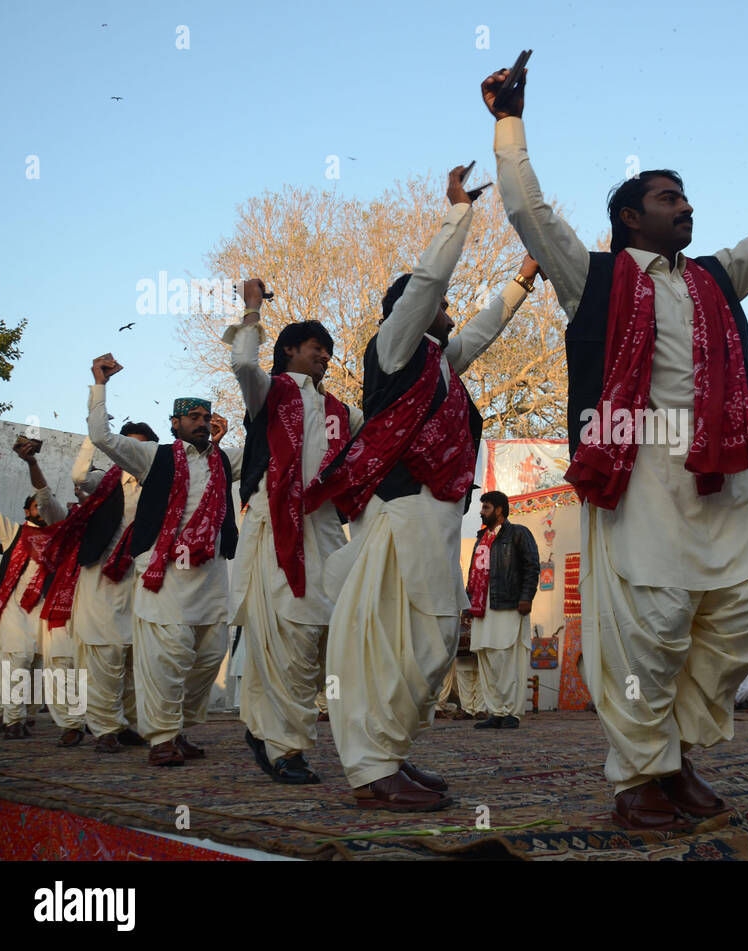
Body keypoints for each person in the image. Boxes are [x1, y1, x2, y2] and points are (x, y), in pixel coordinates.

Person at [483, 61, 748, 831]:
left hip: (719, 468)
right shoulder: (592, 277)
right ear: (631, 217)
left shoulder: (716, 278)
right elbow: (528, 208)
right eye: (670, 197)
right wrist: (510, 120)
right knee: (653, 627)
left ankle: (671, 748)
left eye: (687, 196)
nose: (687, 206)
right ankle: (639, 774)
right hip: (636, 469)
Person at [304, 166, 540, 811]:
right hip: (400, 511)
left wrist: (522, 280)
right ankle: (372, 767)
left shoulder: (437, 363)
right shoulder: (393, 347)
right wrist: (458, 214)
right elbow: (429, 280)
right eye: (438, 304)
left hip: (436, 517)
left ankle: (390, 755)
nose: (448, 308)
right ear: (411, 311)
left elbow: (483, 331)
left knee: (430, 641)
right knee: (405, 638)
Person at [225, 283, 364, 784]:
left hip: (325, 531)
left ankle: (268, 729)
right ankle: (285, 747)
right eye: (316, 348)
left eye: (329, 351)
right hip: (274, 527)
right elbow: (243, 364)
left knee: (329, 635)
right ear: (289, 350)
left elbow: (374, 448)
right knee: (289, 635)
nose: (325, 356)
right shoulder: (271, 391)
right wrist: (253, 308)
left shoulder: (343, 413)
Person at [88, 354, 240, 766]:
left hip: (209, 575)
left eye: (206, 417)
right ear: (175, 424)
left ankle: (178, 728)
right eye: (192, 416)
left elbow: (266, 456)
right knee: (168, 657)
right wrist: (100, 385)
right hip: (165, 573)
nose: (202, 422)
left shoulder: (224, 460)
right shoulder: (153, 456)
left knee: (209, 656)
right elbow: (102, 437)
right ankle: (161, 738)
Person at [63, 427, 153, 753]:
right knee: (104, 655)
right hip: (102, 580)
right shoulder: (105, 481)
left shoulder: (159, 486)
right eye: (125, 446)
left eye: (140, 448)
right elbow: (78, 474)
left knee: (133, 658)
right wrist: (95, 434)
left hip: (140, 581)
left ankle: (126, 722)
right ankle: (104, 729)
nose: (131, 453)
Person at [0, 443, 68, 739]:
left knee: (37, 667)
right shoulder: (15, 533)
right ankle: (12, 721)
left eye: (45, 505)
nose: (41, 510)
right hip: (14, 610)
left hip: (45, 610)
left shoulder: (60, 539)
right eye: (36, 506)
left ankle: (26, 717)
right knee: (16, 661)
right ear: (27, 510)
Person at [467, 490, 540, 730]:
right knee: (487, 657)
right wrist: (469, 603)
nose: (481, 511)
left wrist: (526, 597)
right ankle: (496, 711)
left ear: (499, 510)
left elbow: (531, 567)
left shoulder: (518, 533)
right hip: (483, 607)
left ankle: (512, 712)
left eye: (486, 507)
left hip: (508, 603)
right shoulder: (482, 537)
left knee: (507, 658)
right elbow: (473, 574)